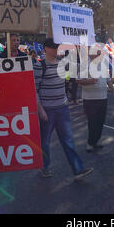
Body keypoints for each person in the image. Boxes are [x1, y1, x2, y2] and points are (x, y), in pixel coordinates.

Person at [34, 38, 93, 180]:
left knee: (68, 140)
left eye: (58, 47)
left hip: (62, 109)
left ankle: (78, 170)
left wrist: (81, 50)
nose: (56, 50)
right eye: (53, 47)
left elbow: (82, 66)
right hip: (47, 110)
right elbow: (34, 90)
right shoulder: (39, 66)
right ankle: (44, 167)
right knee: (44, 142)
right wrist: (41, 110)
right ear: (46, 48)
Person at [77, 49, 114, 152]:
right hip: (89, 99)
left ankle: (96, 141)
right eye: (98, 54)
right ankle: (90, 143)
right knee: (92, 122)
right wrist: (90, 81)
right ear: (91, 55)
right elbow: (78, 81)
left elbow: (108, 80)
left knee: (101, 122)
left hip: (103, 98)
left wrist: (113, 90)